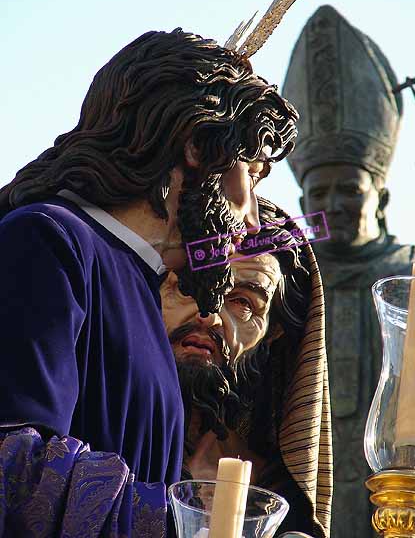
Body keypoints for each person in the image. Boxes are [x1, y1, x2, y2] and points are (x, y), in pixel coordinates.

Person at [0, 28, 298, 536]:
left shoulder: (139, 285)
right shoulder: (48, 239)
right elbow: (15, 469)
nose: (251, 220)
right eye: (251, 172)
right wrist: (195, 525)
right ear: (197, 148)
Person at [282, 5, 415, 538]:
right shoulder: (284, 281)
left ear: (380, 195)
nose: (332, 203)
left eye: (349, 188)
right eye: (318, 192)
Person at [160, 197, 333, 538]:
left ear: (275, 331)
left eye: (241, 302)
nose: (207, 316)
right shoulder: (100, 452)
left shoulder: (278, 500)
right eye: (187, 287)